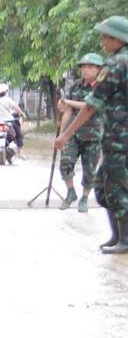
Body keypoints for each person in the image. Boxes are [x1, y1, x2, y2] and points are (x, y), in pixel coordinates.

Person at [54, 15, 128, 252]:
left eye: (105, 37)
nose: (102, 42)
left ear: (117, 39)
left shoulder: (116, 64)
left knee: (115, 188)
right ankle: (118, 237)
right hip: (118, 137)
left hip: (119, 138)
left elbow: (91, 105)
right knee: (104, 186)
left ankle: (125, 240)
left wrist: (66, 135)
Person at [56, 53, 108, 211]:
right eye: (83, 66)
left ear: (99, 69)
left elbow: (89, 106)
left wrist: (67, 101)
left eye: (90, 67)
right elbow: (68, 111)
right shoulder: (75, 86)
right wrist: (62, 133)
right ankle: (71, 192)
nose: (86, 70)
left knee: (90, 170)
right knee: (65, 163)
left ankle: (85, 197)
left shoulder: (102, 87)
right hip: (74, 134)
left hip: (93, 135)